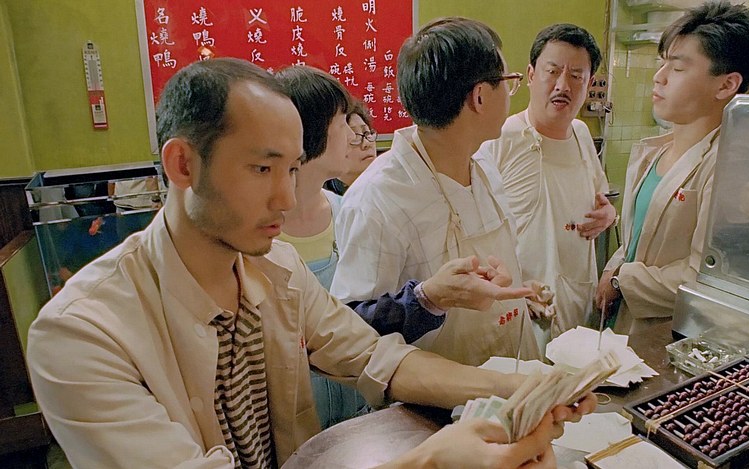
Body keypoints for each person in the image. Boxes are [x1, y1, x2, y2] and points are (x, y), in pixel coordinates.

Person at [27, 57, 594, 468]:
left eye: (294, 169)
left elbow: (376, 358)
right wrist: (427, 461)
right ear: (182, 165)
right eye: (262, 169)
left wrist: (523, 387)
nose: (285, 197)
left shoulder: (275, 269)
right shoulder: (82, 335)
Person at [273, 65, 531, 429]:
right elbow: (355, 326)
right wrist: (428, 297)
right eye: (343, 122)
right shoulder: (364, 203)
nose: (356, 134)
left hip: (361, 405)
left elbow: (360, 348)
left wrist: (508, 387)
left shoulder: (338, 208)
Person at [332, 17, 544, 367]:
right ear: (480, 96)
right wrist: (427, 298)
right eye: (508, 82)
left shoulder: (484, 163)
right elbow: (347, 330)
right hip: (435, 395)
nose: (511, 93)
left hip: (511, 374)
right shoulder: (378, 198)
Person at [595, 0, 749, 334]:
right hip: (626, 323)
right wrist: (614, 267)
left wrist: (622, 280)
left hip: (673, 333)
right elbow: (637, 240)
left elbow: (702, 275)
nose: (659, 77)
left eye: (677, 69)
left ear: (726, 85)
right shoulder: (653, 153)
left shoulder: (729, 169)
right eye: (663, 63)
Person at [479, 24, 616, 347]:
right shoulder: (500, 138)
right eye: (552, 72)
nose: (562, 85)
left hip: (577, 299)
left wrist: (609, 215)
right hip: (519, 308)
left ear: (589, 84)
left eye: (576, 76)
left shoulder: (582, 134)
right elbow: (475, 231)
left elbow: (601, 197)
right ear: (530, 75)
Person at [324, 98, 378, 195]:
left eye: (367, 133)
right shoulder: (324, 197)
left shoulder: (389, 184)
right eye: (355, 137)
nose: (366, 144)